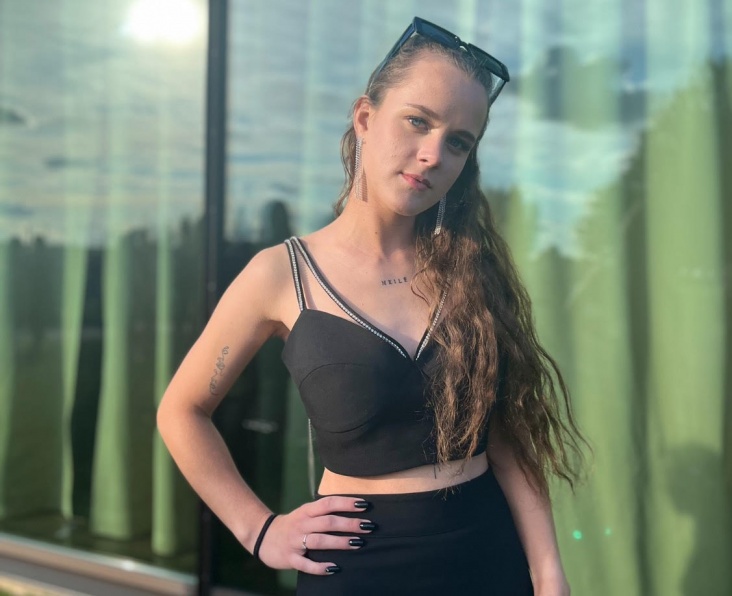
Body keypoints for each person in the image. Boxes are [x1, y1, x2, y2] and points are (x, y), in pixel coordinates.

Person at [158, 16, 585, 596]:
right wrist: (258, 530)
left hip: (488, 555)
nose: (433, 154)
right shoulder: (281, 275)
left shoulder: (469, 272)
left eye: (458, 142)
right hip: (358, 569)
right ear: (365, 118)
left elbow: (508, 435)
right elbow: (182, 410)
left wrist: (548, 572)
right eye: (418, 121)